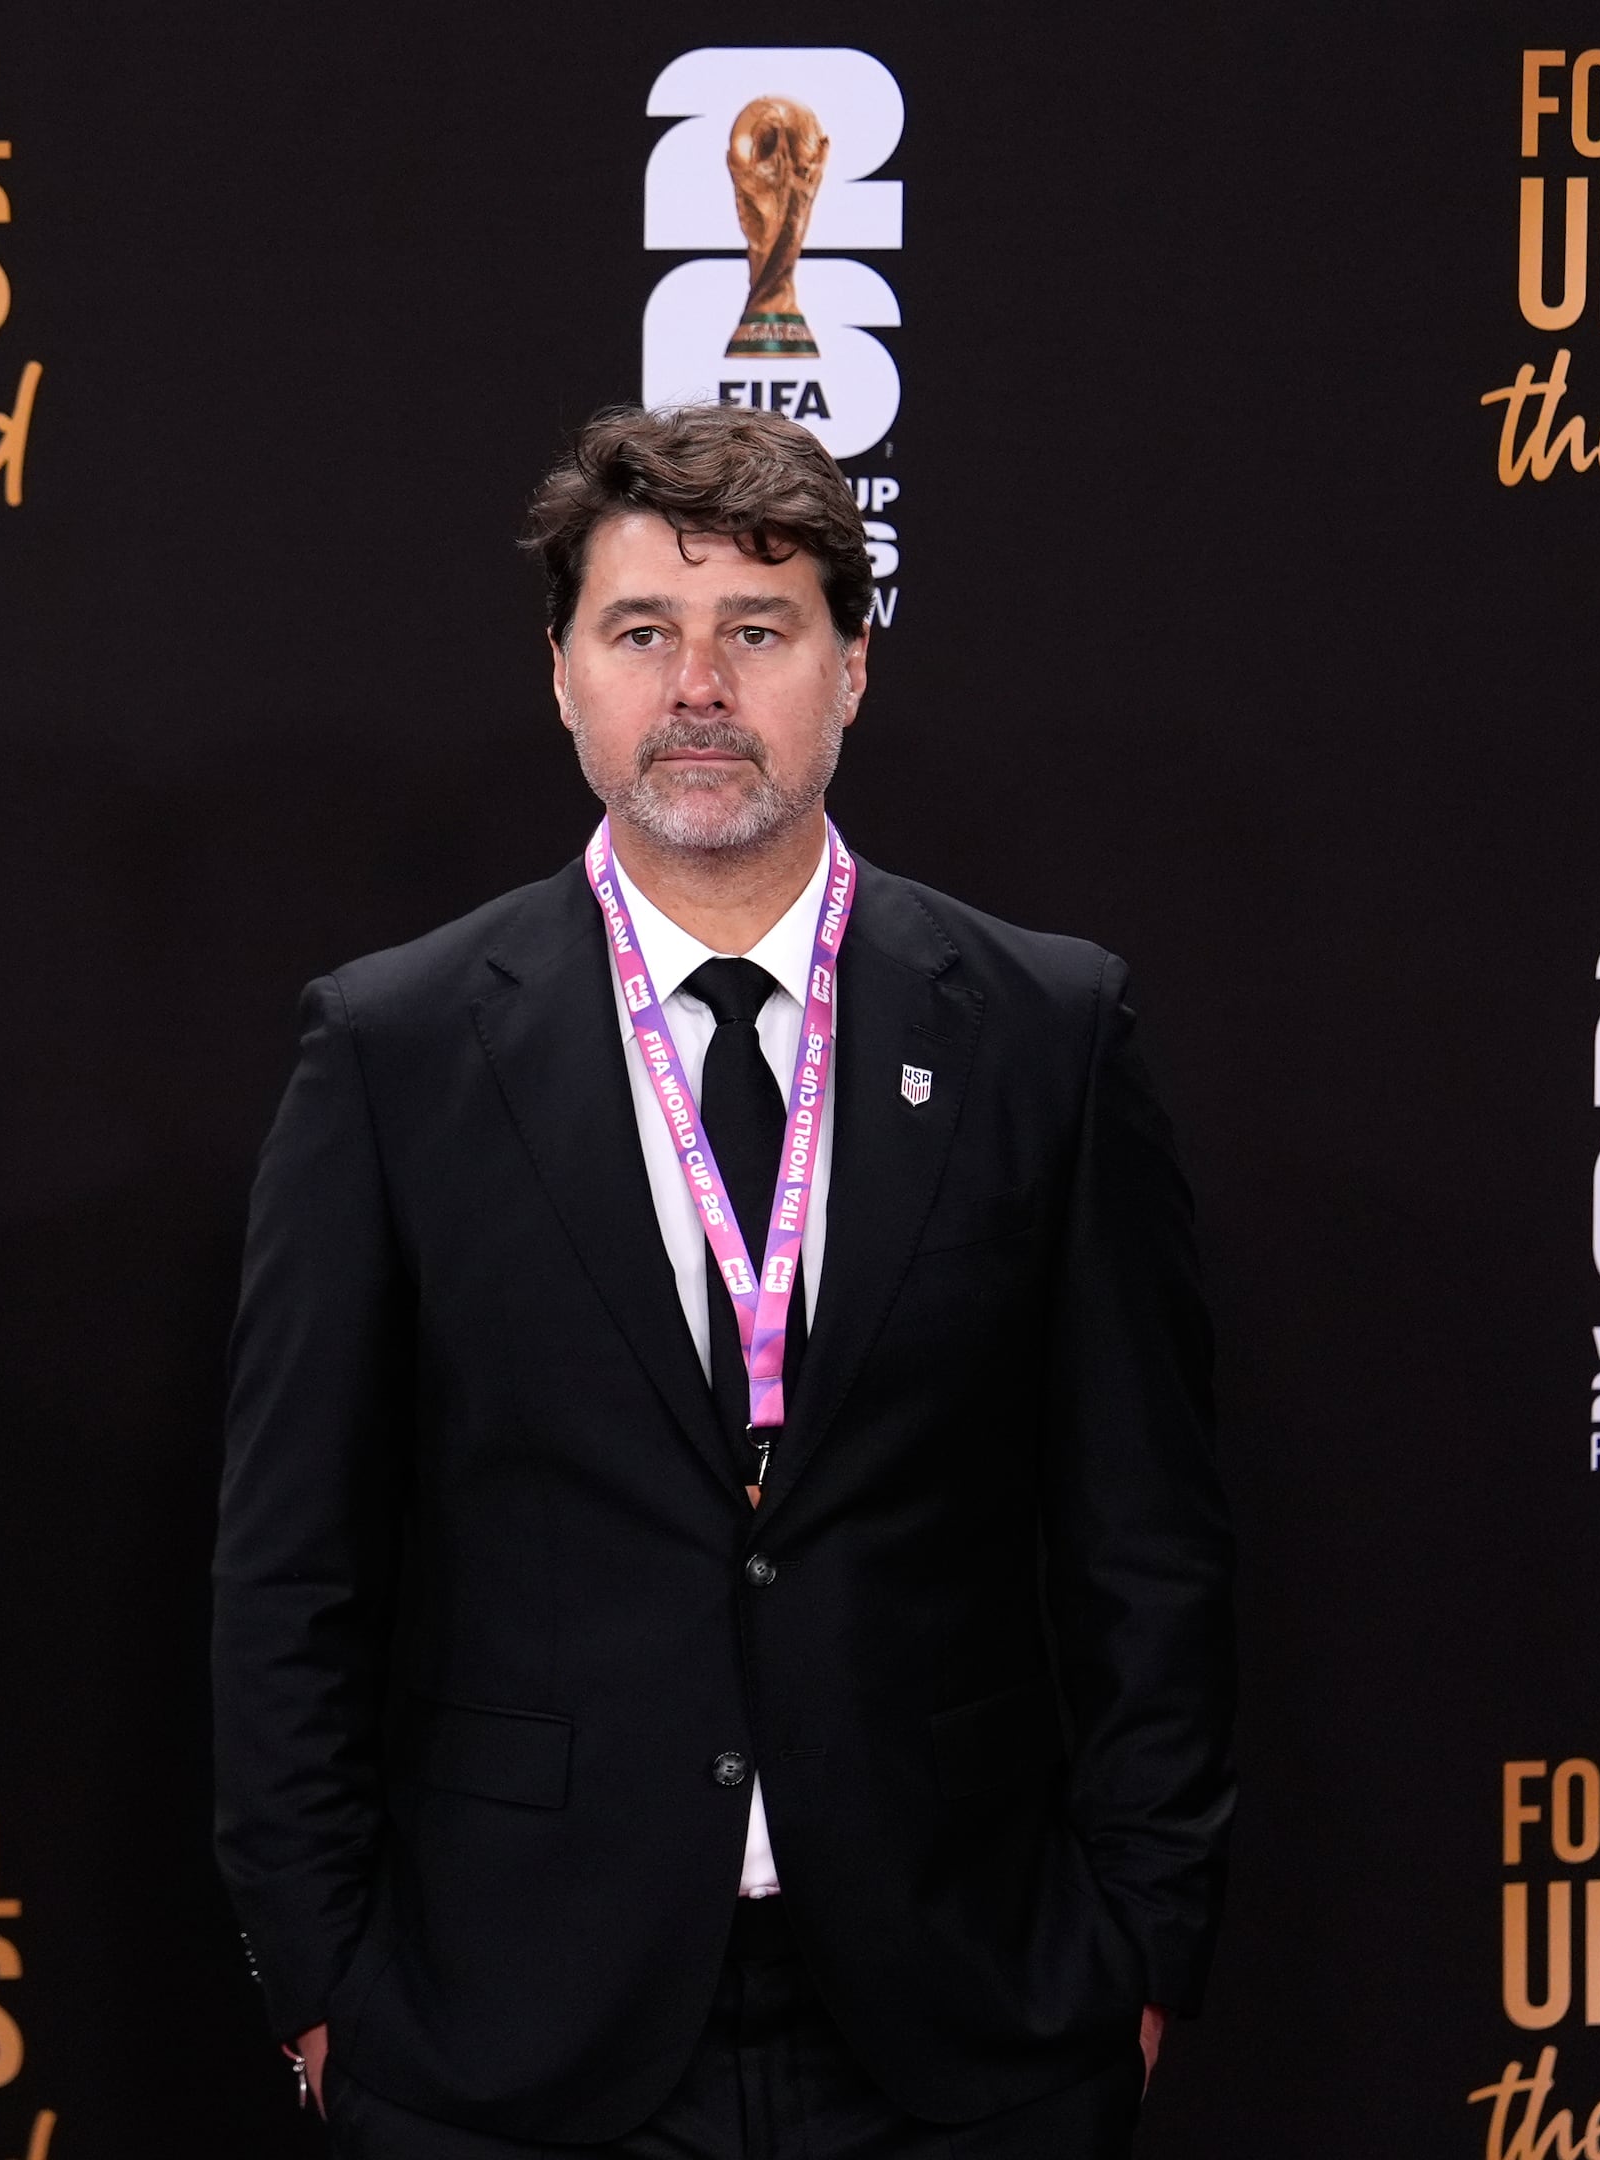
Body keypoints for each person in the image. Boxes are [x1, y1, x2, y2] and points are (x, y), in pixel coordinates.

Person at [212, 403, 1236, 2157]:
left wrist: (1136, 1947)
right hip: (510, 2035)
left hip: (965, 2020)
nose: (699, 686)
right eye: (641, 634)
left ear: (851, 669)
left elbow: (1147, 1541)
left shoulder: (1046, 1032)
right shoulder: (390, 1050)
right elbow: (291, 1565)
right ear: (561, 678)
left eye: (757, 632)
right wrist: (325, 1984)